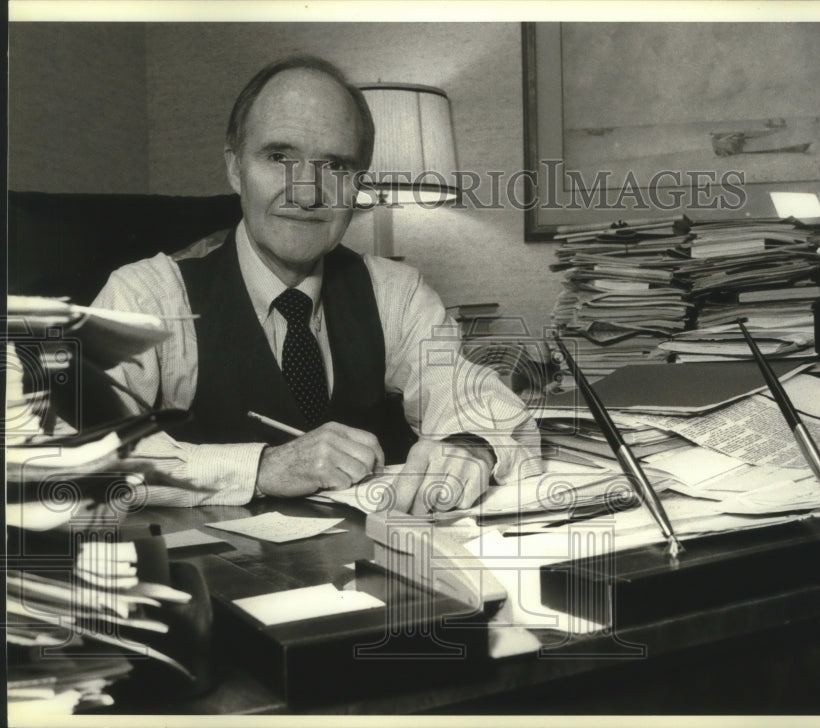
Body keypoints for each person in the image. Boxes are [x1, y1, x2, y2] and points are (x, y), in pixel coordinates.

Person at [92, 55, 540, 514]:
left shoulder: (395, 293)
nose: (307, 193)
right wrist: (261, 468)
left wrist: (471, 446)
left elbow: (479, 399)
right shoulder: (149, 295)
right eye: (279, 157)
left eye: (335, 165)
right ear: (234, 167)